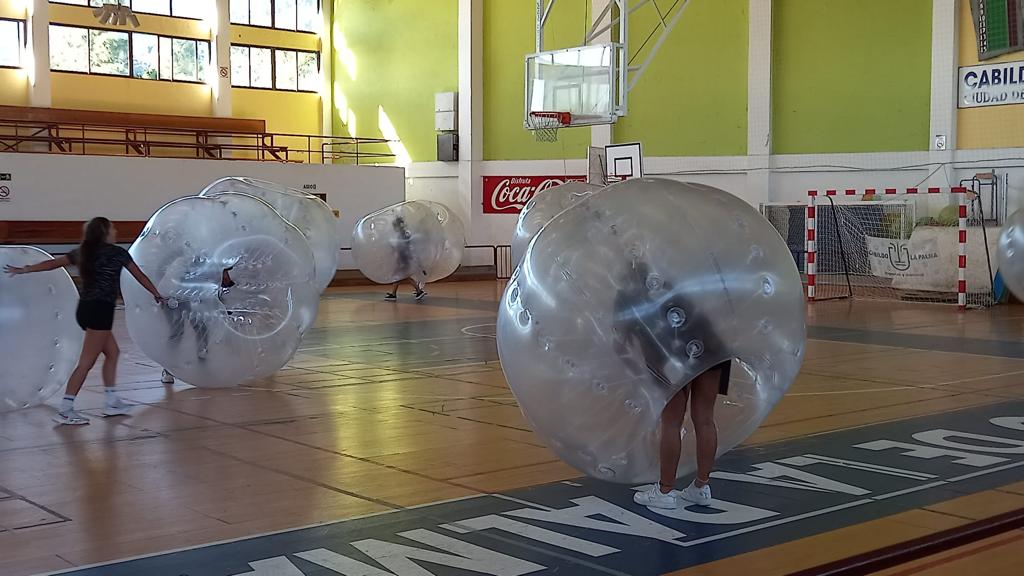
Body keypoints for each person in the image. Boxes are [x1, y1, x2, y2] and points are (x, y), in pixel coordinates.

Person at [4, 217, 163, 425]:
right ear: (106, 232)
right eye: (113, 228)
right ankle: (66, 408)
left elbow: (53, 263)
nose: (115, 231)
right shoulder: (117, 253)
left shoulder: (84, 252)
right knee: (86, 363)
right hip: (100, 310)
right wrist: (157, 294)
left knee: (113, 353)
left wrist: (25, 269)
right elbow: (140, 276)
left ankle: (111, 401)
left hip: (85, 309)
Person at [611, 260, 729, 509]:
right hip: (711, 348)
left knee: (671, 422)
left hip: (670, 358)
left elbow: (620, 344)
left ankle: (665, 491)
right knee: (705, 419)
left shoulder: (624, 298)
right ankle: (701, 486)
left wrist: (641, 375)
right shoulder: (668, 286)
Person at [384, 216, 427, 301]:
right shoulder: (404, 233)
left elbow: (402, 246)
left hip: (403, 259)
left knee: (400, 276)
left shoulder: (402, 235)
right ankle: (394, 293)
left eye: (395, 226)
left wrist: (393, 247)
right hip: (403, 259)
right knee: (399, 276)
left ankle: (418, 291)